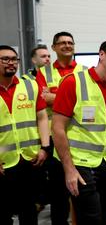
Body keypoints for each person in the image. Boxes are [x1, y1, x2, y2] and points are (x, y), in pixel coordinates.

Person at [51, 36, 106, 224]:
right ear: (102, 54)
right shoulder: (73, 82)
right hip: (81, 165)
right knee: (91, 219)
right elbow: (57, 128)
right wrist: (69, 169)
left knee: (104, 217)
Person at [35, 31, 86, 225]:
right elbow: (43, 99)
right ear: (54, 47)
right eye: (62, 43)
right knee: (58, 195)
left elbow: (86, 101)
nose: (67, 45)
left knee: (81, 191)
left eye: (70, 42)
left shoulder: (83, 70)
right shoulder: (43, 73)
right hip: (56, 139)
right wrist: (72, 100)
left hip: (81, 139)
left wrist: (54, 98)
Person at [0, 45, 50, 224]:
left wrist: (45, 147)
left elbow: (42, 117)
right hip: (3, 162)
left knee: (28, 210)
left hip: (30, 159)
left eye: (14, 59)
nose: (11, 63)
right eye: (5, 59)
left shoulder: (30, 85)